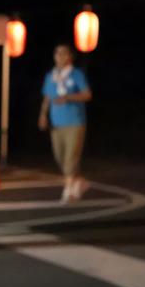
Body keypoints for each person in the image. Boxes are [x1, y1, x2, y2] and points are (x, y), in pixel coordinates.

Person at [39, 43, 92, 203]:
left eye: (63, 53)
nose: (60, 56)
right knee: (60, 156)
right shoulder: (51, 76)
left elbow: (87, 95)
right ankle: (78, 181)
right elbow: (47, 97)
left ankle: (69, 189)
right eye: (57, 53)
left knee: (71, 156)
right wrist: (43, 115)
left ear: (70, 56)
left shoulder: (76, 74)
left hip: (75, 121)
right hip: (56, 122)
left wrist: (69, 97)